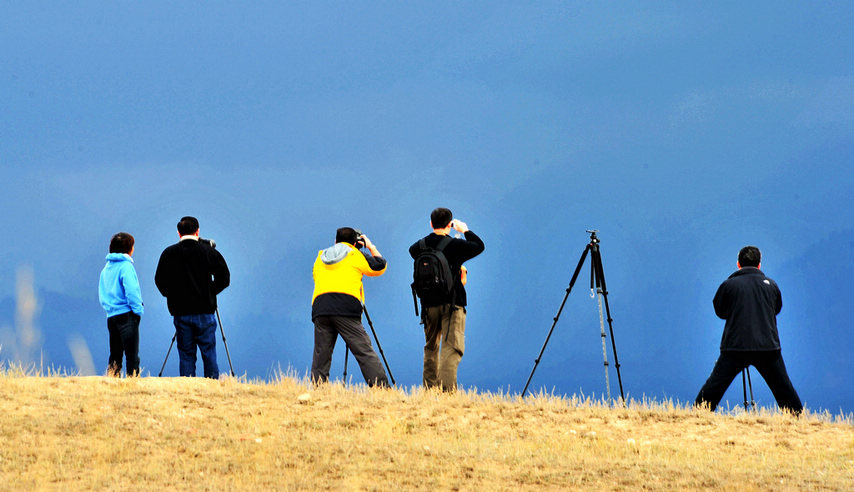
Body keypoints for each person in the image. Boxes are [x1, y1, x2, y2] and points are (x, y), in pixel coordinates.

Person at [695, 245, 803, 414]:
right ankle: (796, 418)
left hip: (736, 347)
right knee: (784, 389)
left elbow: (720, 311)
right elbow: (776, 309)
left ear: (738, 264)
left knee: (713, 387)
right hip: (768, 347)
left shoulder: (729, 285)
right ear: (759, 265)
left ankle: (698, 415)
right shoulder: (771, 285)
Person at [409, 208, 484, 391]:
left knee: (431, 347)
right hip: (452, 303)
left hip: (428, 305)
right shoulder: (455, 246)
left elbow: (415, 253)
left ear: (431, 223)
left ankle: (429, 390)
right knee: (451, 348)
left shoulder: (418, 247)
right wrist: (465, 230)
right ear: (450, 224)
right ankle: (447, 393)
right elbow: (479, 246)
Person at [311, 227, 390, 387]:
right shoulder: (355, 254)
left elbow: (316, 276)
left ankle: (318, 388)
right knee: (364, 351)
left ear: (335, 241)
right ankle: (382, 389)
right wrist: (370, 246)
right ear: (355, 243)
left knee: (322, 353)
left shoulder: (320, 257)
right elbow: (379, 267)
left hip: (321, 307)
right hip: (345, 307)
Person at [154, 216, 230, 379]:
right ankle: (212, 385)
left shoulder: (169, 253)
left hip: (181, 311)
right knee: (209, 351)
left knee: (186, 353)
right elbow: (224, 278)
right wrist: (210, 292)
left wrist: (173, 295)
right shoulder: (209, 252)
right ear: (198, 231)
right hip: (205, 310)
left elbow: (160, 280)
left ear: (179, 233)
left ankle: (187, 385)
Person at [98, 232, 144, 377]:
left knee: (115, 355)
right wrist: (138, 310)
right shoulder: (126, 266)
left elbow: (101, 293)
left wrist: (109, 308)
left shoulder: (106, 269)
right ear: (129, 248)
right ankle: (132, 385)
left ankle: (112, 383)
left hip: (111, 316)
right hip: (127, 316)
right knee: (132, 355)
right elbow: (132, 291)